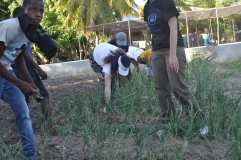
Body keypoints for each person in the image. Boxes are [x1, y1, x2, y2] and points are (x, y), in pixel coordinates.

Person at [0, 0, 45, 159]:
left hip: (7, 73)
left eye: (41, 10)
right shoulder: (9, 27)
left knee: (24, 114)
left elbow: (18, 58)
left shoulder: (30, 32)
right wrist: (20, 83)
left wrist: (30, 82)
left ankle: (30, 156)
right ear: (23, 11)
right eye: (33, 9)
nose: (38, 14)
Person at [144, 0, 199, 119]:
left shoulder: (166, 2)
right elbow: (149, 28)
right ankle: (168, 117)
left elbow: (173, 28)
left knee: (177, 86)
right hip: (157, 50)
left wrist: (173, 55)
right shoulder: (147, 6)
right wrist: (150, 48)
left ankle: (196, 116)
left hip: (173, 48)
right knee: (160, 86)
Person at [12, 6, 51, 118]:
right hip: (23, 65)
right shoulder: (22, 30)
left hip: (14, 66)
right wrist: (39, 69)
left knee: (24, 97)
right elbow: (24, 54)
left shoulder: (16, 30)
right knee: (43, 95)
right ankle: (48, 123)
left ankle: (24, 121)